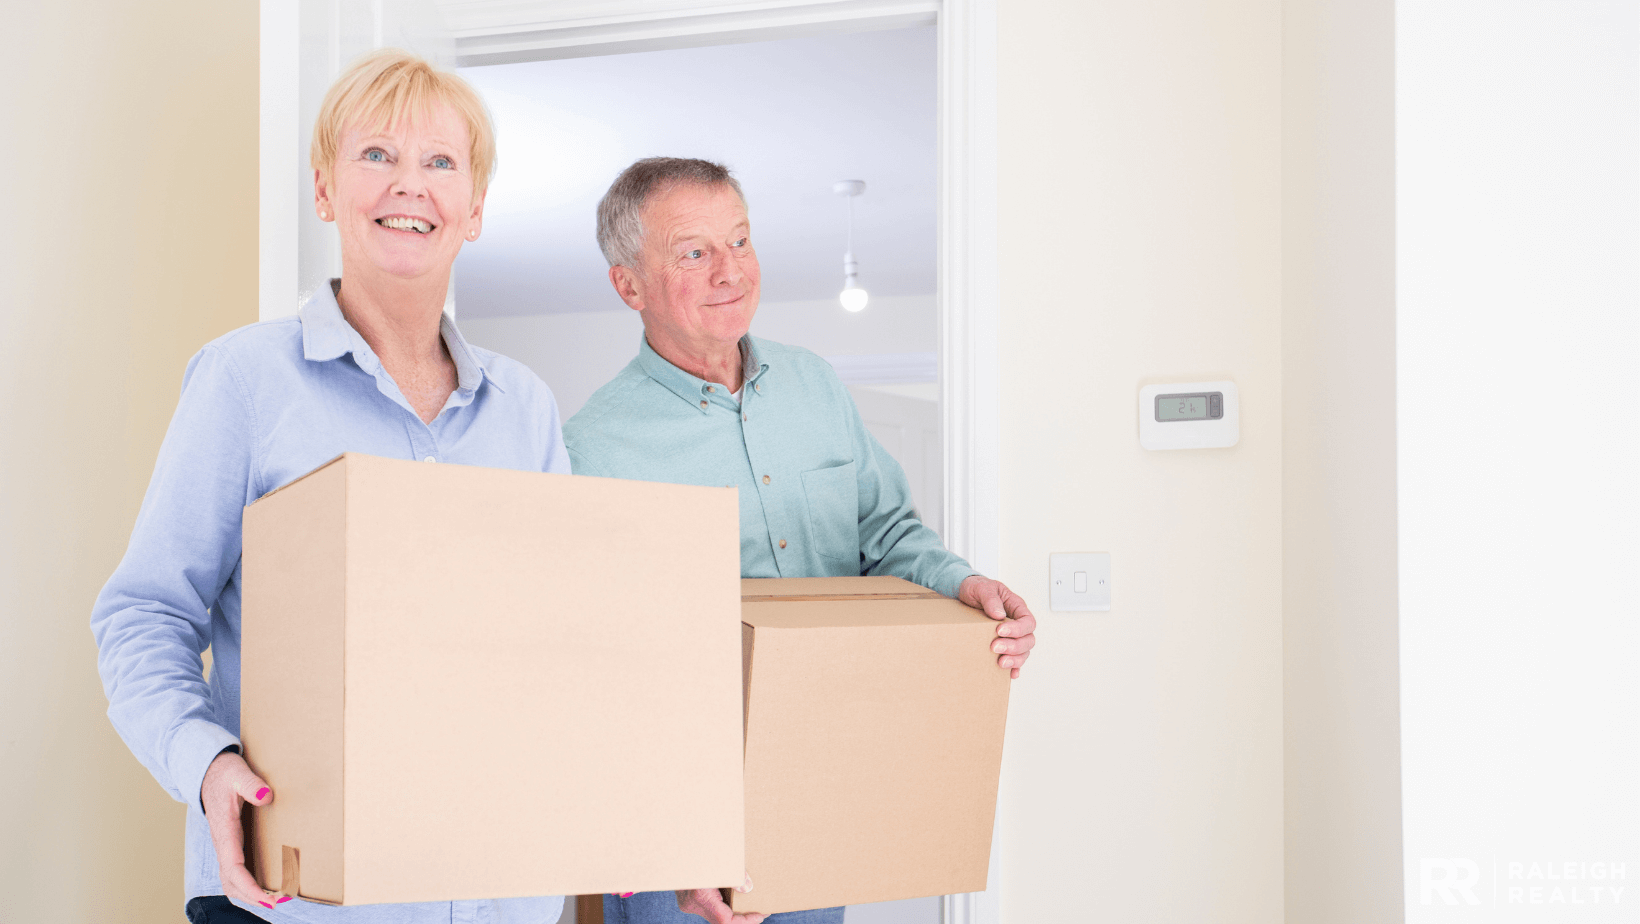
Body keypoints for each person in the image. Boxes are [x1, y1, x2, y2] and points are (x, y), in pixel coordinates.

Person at [90, 50, 570, 924]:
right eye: (376, 156)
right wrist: (204, 760)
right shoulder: (246, 379)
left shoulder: (526, 408)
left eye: (440, 162)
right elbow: (144, 611)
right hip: (294, 896)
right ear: (324, 191)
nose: (409, 185)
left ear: (476, 206)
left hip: (500, 889)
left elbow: (557, 646)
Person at [564, 158, 1038, 924]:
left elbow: (884, 534)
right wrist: (674, 838)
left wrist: (960, 585)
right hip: (678, 822)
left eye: (742, 241)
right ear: (630, 286)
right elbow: (595, 664)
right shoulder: (593, 445)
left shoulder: (815, 386)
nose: (731, 271)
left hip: (819, 784)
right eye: (694, 252)